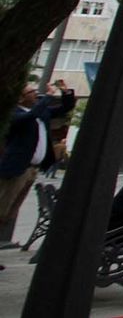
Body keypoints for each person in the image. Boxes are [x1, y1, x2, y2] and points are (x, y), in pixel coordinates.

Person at [0, 80, 76, 248]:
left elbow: (65, 108)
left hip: (32, 170)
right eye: (31, 92)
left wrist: (66, 92)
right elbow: (30, 116)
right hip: (16, 168)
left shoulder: (42, 113)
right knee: (2, 210)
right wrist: (48, 96)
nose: (36, 94)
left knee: (10, 212)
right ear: (21, 99)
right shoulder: (16, 113)